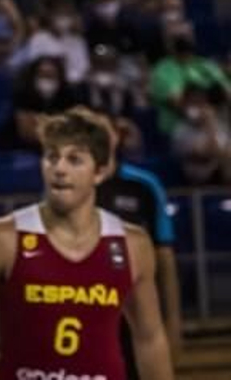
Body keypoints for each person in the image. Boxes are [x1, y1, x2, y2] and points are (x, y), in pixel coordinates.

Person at [0, 109, 172, 380]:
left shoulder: (132, 244)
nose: (59, 169)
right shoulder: (3, 237)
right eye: (51, 157)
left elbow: (150, 337)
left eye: (74, 160)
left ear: (100, 171)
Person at [93, 111, 185, 367]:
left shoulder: (145, 186)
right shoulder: (71, 187)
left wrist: (174, 323)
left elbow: (164, 258)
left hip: (138, 310)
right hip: (88, 311)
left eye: (103, 131)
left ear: (117, 136)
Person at [148, 33, 231, 135]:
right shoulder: (163, 69)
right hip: (178, 126)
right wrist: (198, 117)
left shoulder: (202, 63)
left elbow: (226, 89)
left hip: (212, 121)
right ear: (172, 49)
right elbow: (176, 101)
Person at [1, 57, 79, 151]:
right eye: (42, 75)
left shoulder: (67, 97)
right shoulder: (23, 95)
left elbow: (72, 129)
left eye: (51, 75)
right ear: (34, 76)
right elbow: (27, 133)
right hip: (21, 148)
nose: (46, 79)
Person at [170, 86, 231, 185]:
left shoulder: (216, 125)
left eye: (201, 104)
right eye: (193, 103)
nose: (199, 108)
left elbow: (221, 151)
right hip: (195, 175)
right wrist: (210, 125)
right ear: (185, 106)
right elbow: (202, 152)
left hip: (219, 175)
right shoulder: (181, 129)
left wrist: (210, 124)